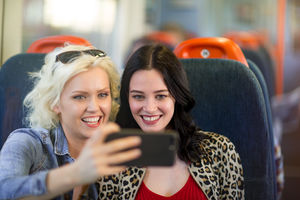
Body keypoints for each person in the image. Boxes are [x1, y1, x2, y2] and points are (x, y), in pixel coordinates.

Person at [98, 44, 244, 199]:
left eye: (161, 96)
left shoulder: (220, 150)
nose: (150, 108)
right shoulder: (113, 159)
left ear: (176, 96)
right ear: (127, 98)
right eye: (138, 96)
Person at [0, 44, 142, 200]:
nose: (94, 108)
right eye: (79, 97)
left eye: (102, 95)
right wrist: (77, 173)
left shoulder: (120, 154)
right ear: (54, 103)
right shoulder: (27, 143)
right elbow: (4, 191)